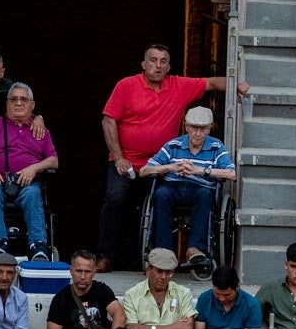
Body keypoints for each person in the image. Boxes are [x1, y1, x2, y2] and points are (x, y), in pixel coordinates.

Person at [98, 43, 247, 272]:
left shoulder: (179, 86)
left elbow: (210, 83)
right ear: (144, 64)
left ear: (168, 66)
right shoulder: (126, 86)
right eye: (153, 60)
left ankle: (145, 260)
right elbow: (108, 120)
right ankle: (106, 257)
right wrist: (118, 157)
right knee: (116, 200)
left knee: (151, 204)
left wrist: (236, 85)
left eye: (163, 61)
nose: (158, 65)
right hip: (127, 161)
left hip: (164, 166)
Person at [0, 82, 58, 259]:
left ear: (32, 105)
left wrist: (34, 168)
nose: (18, 103)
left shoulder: (40, 129)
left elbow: (53, 161)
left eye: (23, 99)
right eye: (14, 99)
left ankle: (39, 247)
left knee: (33, 194)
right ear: (7, 104)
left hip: (26, 183)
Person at [140, 106, 235, 266]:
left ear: (210, 128)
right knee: (161, 194)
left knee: (204, 195)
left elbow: (232, 174)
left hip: (200, 190)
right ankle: (164, 250)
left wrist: (201, 170)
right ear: (187, 126)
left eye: (203, 129)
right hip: (173, 188)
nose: (198, 133)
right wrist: (170, 167)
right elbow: (144, 171)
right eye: (194, 128)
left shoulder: (216, 147)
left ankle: (195, 249)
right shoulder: (173, 145)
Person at [47, 250, 125, 329]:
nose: (83, 276)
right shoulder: (61, 297)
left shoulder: (102, 290)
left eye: (87, 271)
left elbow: (119, 314)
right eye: (78, 271)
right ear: (71, 271)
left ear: (94, 272)